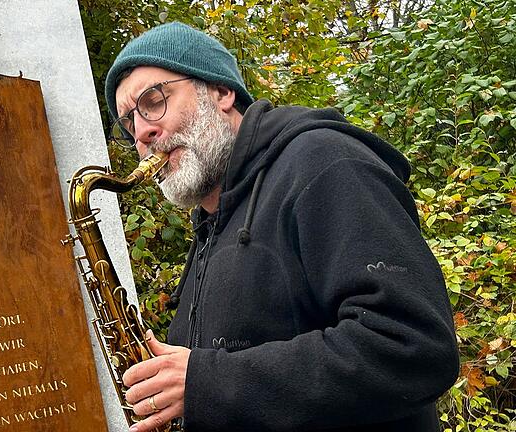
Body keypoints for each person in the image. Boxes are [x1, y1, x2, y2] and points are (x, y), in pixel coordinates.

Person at [103, 22, 460, 432]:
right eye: (130, 123)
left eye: (154, 100)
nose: (144, 132)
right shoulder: (211, 225)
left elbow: (414, 346)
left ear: (221, 92)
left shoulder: (325, 161)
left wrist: (206, 382)